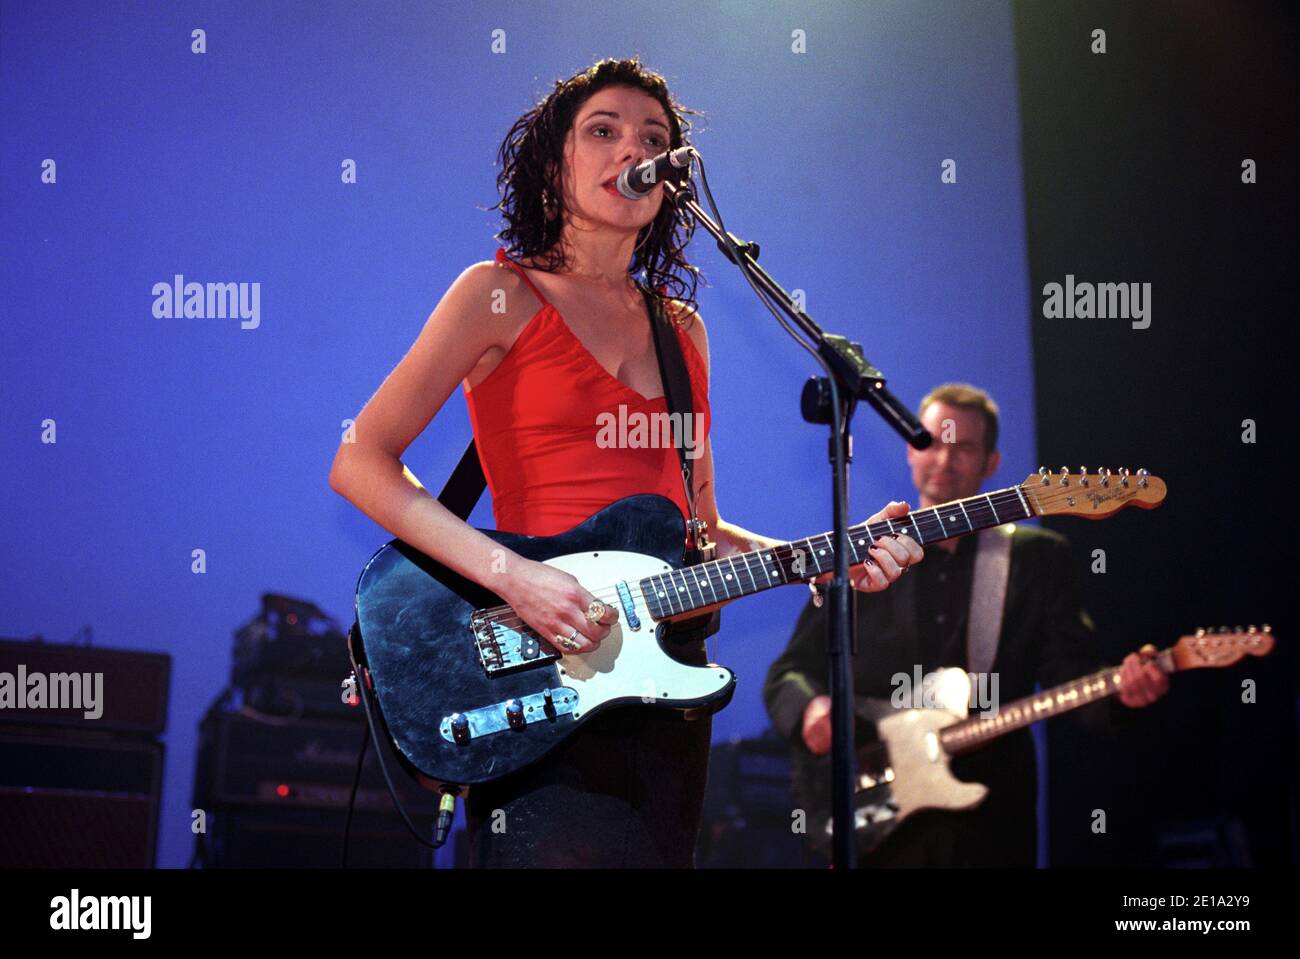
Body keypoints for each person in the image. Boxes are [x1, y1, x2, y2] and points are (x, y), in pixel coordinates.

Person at [328, 57, 924, 868]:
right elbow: (361, 460)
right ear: (555, 163)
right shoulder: (497, 293)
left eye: (653, 138)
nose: (629, 150)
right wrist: (514, 577)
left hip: (665, 694)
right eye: (602, 131)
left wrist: (831, 553)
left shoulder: (684, 331)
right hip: (535, 678)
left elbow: (700, 536)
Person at [762, 383, 1169, 867]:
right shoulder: (871, 556)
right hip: (878, 817)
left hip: (991, 818)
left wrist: (1122, 694)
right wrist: (811, 710)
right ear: (910, 455)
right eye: (930, 442)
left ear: (991, 464)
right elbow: (788, 671)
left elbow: (1069, 675)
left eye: (964, 447)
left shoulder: (1036, 560)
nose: (944, 459)